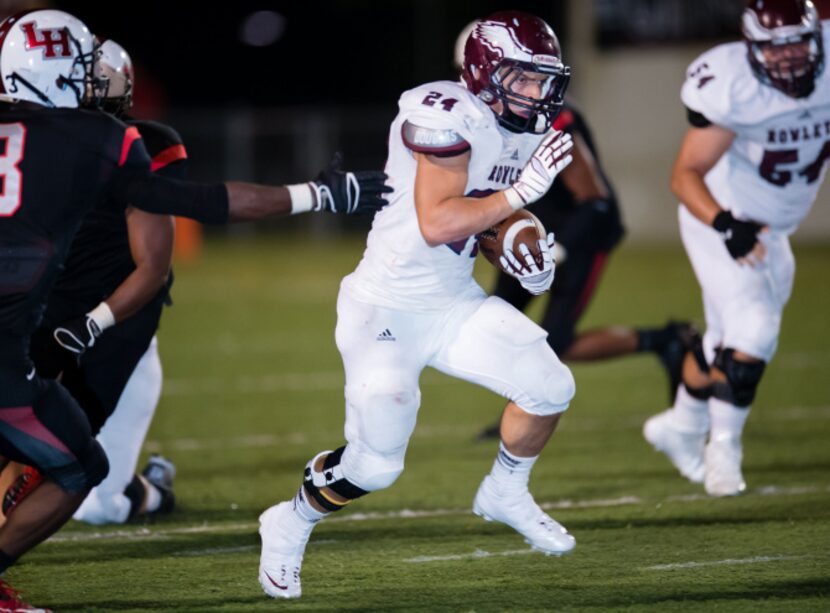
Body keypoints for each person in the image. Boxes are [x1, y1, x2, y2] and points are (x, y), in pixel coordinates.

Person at [0, 9, 388, 611]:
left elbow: (152, 260)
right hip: (17, 345)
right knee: (74, 465)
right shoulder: (98, 138)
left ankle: (146, 491)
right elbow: (199, 202)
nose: (90, 80)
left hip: (58, 332)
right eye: (80, 69)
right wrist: (318, 193)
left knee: (69, 461)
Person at [258, 11, 578, 600]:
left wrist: (524, 241)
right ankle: (290, 520)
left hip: (452, 300)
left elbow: (491, 215)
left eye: (542, 80)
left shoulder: (521, 126)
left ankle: (506, 490)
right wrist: (523, 195)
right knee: (376, 466)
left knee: (550, 384)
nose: (535, 94)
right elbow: (437, 222)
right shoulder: (442, 113)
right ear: (484, 72)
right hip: (385, 308)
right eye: (522, 78)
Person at [451, 22, 697, 440]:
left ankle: (666, 340)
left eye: (528, 77)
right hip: (529, 233)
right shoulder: (478, 120)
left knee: (557, 342)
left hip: (580, 234)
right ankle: (523, 405)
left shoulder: (551, 117)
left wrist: (558, 250)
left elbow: (596, 202)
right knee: (498, 323)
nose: (528, 89)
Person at [643, 0, 829, 497]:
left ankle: (680, 426)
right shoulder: (733, 87)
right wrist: (726, 223)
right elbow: (685, 175)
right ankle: (723, 447)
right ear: (751, 50)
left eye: (798, 44)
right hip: (723, 215)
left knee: (725, 339)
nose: (789, 58)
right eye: (776, 48)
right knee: (756, 326)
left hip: (773, 226)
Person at [7, 39, 183, 525]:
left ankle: (150, 490)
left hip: (114, 329)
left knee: (98, 502)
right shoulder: (28, 141)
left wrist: (94, 322)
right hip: (31, 322)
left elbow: (154, 266)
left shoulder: (137, 144)